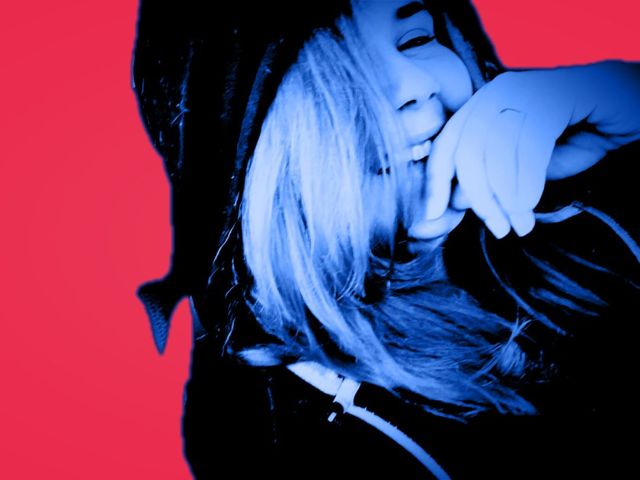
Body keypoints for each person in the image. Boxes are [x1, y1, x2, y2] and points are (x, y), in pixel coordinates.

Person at [132, 1, 640, 478]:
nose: (416, 83)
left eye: (417, 38)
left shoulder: (578, 195)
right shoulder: (290, 441)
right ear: (252, 159)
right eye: (342, 70)